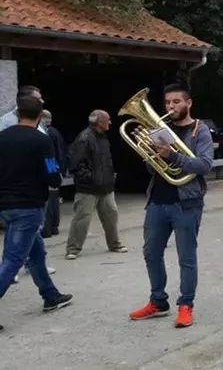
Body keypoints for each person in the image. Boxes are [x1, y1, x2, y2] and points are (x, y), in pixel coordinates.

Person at [128, 83, 214, 328]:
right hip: (157, 200)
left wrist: (173, 155)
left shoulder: (200, 130)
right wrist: (149, 153)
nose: (171, 106)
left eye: (176, 101)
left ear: (188, 103)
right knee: (151, 253)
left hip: (186, 203)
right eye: (167, 102)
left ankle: (186, 304)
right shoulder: (159, 130)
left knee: (186, 257)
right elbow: (153, 168)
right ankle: (158, 301)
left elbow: (205, 165)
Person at [0, 94, 73, 332]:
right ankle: (50, 296)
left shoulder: (2, 137)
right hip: (28, 206)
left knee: (36, 253)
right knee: (13, 260)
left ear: (18, 113)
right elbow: (52, 174)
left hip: (6, 206)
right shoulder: (42, 140)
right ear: (40, 116)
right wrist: (56, 177)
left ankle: (50, 296)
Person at [65, 110, 128, 259]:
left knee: (111, 216)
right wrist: (92, 179)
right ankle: (73, 249)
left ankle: (115, 244)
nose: (110, 122)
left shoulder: (102, 137)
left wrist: (109, 177)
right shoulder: (85, 138)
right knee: (82, 219)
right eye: (108, 119)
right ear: (100, 122)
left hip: (106, 187)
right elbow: (76, 165)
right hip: (88, 188)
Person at [40, 110, 67, 238]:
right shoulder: (56, 132)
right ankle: (54, 226)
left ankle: (47, 229)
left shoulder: (46, 134)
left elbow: (50, 155)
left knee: (48, 202)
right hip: (57, 169)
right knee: (54, 201)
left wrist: (51, 172)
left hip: (51, 169)